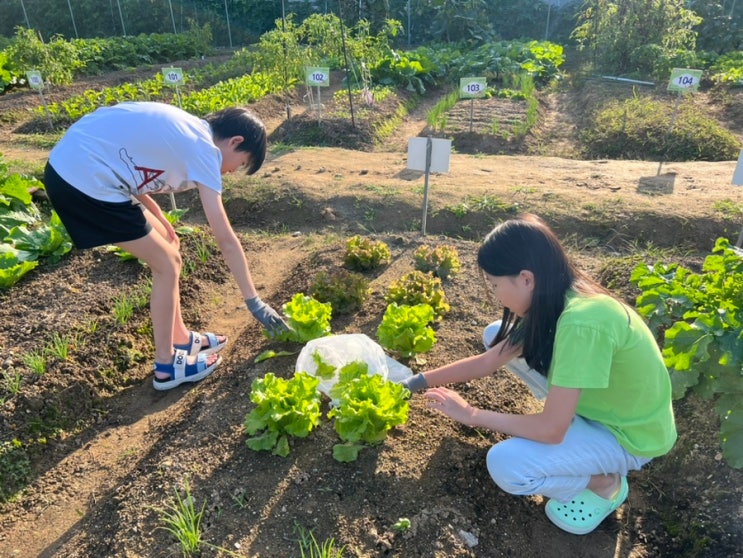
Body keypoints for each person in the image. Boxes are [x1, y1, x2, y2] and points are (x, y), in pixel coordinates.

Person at [402, 214, 677, 535]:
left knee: (506, 465)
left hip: (629, 436)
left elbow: (551, 430)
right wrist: (415, 382)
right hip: (603, 406)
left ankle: (604, 483)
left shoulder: (582, 323)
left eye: (494, 285)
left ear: (525, 279)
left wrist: (471, 414)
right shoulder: (558, 294)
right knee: (495, 334)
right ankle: (571, 422)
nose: (495, 295)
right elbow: (487, 362)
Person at [43, 101, 289, 391]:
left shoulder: (191, 131)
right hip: (83, 182)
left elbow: (127, 163)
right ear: (235, 141)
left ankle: (180, 338)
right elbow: (225, 239)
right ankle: (166, 365)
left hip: (77, 168)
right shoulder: (205, 151)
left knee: (170, 248)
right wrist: (254, 302)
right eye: (242, 163)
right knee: (166, 264)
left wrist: (159, 216)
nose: (233, 171)